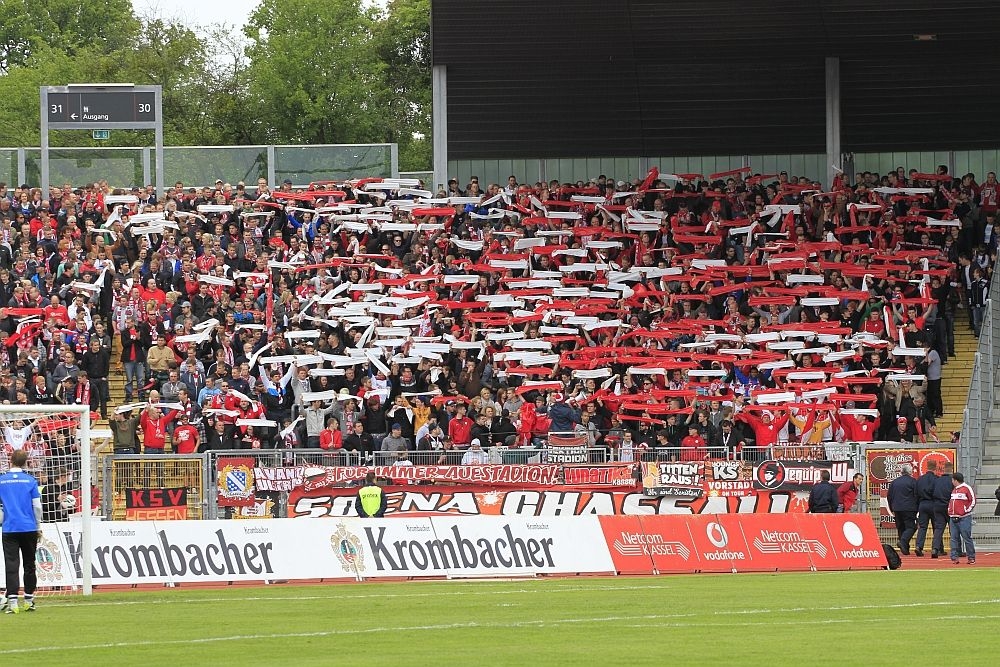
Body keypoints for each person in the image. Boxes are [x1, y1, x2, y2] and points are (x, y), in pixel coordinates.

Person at [0, 450, 41, 614]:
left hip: (10, 528)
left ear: (10, 460)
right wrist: (38, 525)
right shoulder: (31, 480)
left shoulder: (2, 480)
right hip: (29, 527)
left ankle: (13, 603)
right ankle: (29, 600)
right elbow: (37, 506)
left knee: (11, 564)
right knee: (29, 564)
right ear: (25, 463)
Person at [887, 464, 918, 555]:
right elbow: (916, 495)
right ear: (910, 472)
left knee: (901, 528)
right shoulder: (913, 481)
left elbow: (889, 496)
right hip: (909, 508)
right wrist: (917, 507)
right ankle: (903, 542)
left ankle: (905, 548)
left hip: (897, 508)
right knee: (911, 527)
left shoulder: (894, 482)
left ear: (901, 472)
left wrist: (892, 508)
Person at [948, 472, 977, 564]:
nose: (952, 481)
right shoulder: (954, 490)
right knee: (954, 538)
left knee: (966, 538)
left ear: (955, 480)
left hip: (964, 517)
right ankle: (954, 557)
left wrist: (966, 510)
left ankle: (971, 557)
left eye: (952, 480)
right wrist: (950, 510)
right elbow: (952, 502)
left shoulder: (967, 488)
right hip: (953, 517)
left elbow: (973, 500)